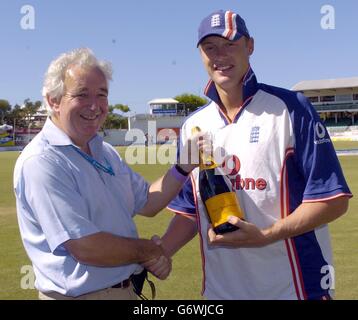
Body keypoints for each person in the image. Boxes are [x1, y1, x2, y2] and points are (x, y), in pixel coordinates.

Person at [146, 10, 353, 300]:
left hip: (295, 290)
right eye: (210, 47)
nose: (220, 55)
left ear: (250, 46)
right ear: (201, 54)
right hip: (220, 293)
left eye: (230, 44)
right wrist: (160, 252)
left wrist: (267, 236)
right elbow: (190, 211)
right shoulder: (193, 125)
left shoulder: (291, 108)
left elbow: (333, 200)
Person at [13, 48, 203, 300]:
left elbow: (148, 202)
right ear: (53, 101)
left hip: (124, 291)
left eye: (101, 95)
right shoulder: (42, 161)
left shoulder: (105, 151)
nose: (95, 106)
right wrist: (150, 251)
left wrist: (182, 167)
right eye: (82, 94)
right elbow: (86, 247)